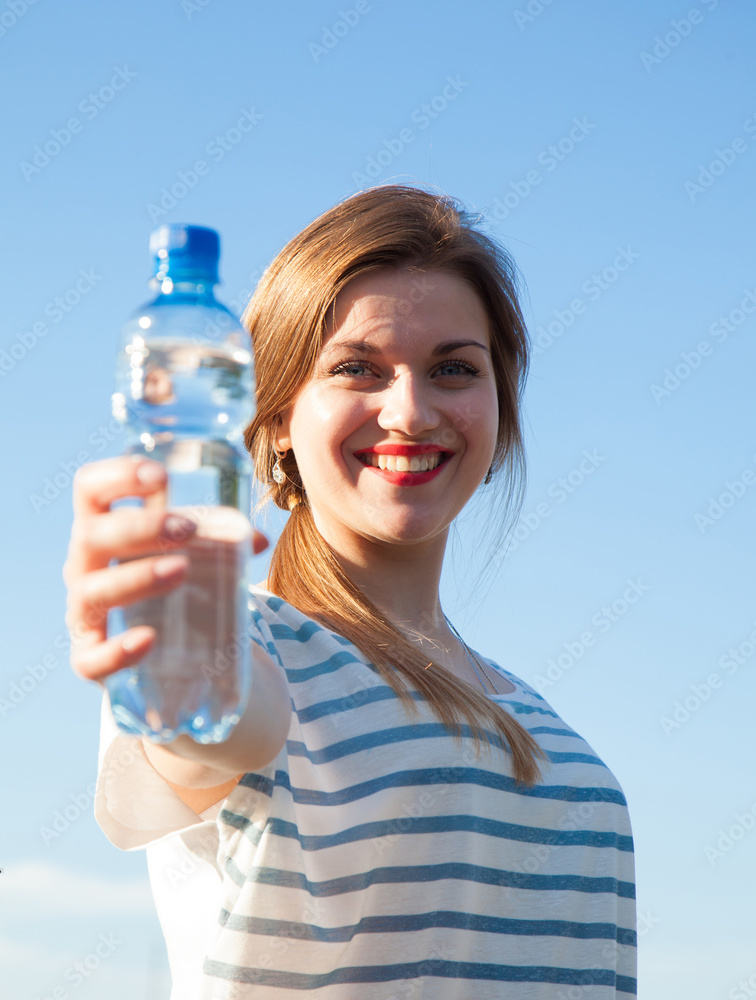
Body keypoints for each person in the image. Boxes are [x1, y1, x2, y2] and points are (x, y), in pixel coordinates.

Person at [63, 185, 637, 999]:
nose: (409, 410)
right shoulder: (253, 644)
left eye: (453, 368)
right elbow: (217, 719)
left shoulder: (542, 721)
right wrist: (182, 670)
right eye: (357, 368)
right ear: (276, 417)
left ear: (501, 407)